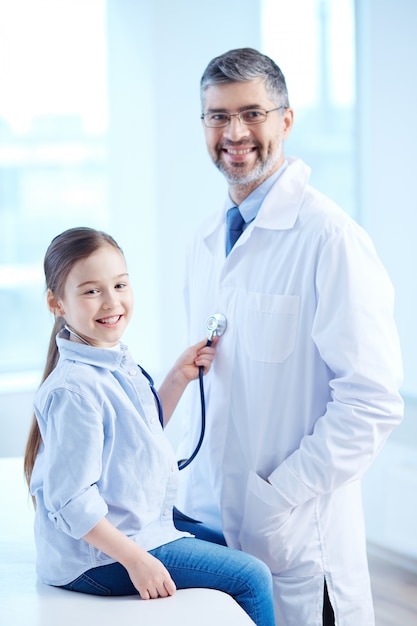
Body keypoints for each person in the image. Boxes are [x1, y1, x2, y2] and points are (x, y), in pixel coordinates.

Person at [175, 48, 404, 626]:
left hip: (298, 543)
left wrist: (276, 497)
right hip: (213, 535)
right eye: (218, 116)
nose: (235, 133)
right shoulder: (206, 241)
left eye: (252, 113)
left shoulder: (330, 239)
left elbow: (372, 402)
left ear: (286, 120)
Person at [23, 226, 275, 626]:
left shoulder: (113, 362)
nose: (112, 301)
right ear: (57, 303)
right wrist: (136, 559)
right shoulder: (75, 389)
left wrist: (177, 378)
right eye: (91, 291)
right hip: (95, 560)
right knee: (250, 576)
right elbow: (71, 502)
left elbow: (137, 433)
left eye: (120, 284)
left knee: (230, 542)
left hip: (133, 532)